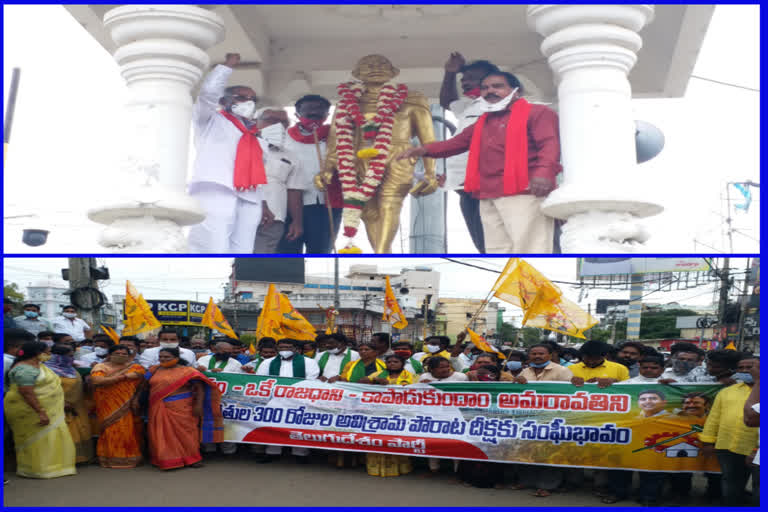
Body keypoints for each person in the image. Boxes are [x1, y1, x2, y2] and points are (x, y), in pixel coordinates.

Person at [398, 70, 561, 253]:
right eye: (485, 88)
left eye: (498, 86)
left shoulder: (538, 113)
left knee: (530, 246)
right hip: (488, 193)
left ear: (516, 90)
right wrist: (422, 150)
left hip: (524, 192)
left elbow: (549, 144)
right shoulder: (485, 120)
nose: (490, 91)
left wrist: (544, 173)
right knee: (496, 248)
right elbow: (456, 144)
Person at [187, 52, 265, 253]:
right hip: (216, 190)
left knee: (244, 251)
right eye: (241, 97)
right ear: (225, 101)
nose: (249, 102)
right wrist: (226, 68)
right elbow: (207, 94)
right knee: (215, 247)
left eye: (252, 99)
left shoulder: (254, 133)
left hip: (249, 196)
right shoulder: (210, 120)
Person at [439, 53, 499, 253]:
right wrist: (449, 74)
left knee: (493, 242)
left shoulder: (500, 107)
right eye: (463, 79)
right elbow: (447, 102)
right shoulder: (471, 105)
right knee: (481, 243)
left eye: (472, 78)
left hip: (489, 186)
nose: (465, 82)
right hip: (465, 187)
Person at [141, 347, 223, 470]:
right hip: (157, 406)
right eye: (161, 357)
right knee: (160, 433)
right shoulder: (154, 370)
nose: (163, 359)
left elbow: (200, 388)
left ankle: (192, 459)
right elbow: (143, 386)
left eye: (167, 357)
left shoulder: (188, 371)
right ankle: (166, 459)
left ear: (176, 358)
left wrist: (198, 405)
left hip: (182, 407)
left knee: (187, 433)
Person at [4, 340, 77, 478]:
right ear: (37, 353)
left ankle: (55, 467)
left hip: (48, 409)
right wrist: (41, 412)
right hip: (28, 410)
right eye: (47, 352)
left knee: (51, 437)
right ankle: (37, 469)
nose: (49, 354)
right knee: (37, 440)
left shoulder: (40, 366)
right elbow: (27, 392)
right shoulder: (24, 369)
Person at [510, 344, 575, 497]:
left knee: (549, 452)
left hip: (553, 417)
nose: (537, 356)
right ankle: (527, 481)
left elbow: (570, 393)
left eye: (541, 353)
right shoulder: (525, 371)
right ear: (529, 356)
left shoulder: (562, 371)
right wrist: (516, 382)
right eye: (534, 354)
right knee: (526, 449)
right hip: (529, 418)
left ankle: (548, 485)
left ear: (550, 355)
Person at [280, 94, 343, 253]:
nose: (314, 114)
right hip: (287, 204)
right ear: (297, 114)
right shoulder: (283, 137)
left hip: (324, 203)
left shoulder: (338, 137)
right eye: (309, 111)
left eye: (319, 111)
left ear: (327, 115)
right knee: (287, 251)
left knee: (321, 251)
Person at [700, 354, 760, 506]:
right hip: (728, 446)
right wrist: (707, 442)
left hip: (757, 449)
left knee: (759, 487)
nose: (746, 371)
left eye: (750, 367)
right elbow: (714, 418)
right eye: (741, 368)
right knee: (731, 482)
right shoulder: (726, 391)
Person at [249, 107, 306, 253]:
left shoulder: (292, 156)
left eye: (284, 122)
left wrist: (297, 222)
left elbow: (294, 190)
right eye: (272, 120)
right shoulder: (241, 147)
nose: (278, 125)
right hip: (243, 213)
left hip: (273, 219)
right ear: (255, 122)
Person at [254, 339, 316, 462]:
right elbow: (261, 379)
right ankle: (272, 452)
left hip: (299, 399)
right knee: (273, 425)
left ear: (295, 349)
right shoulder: (268, 362)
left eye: (288, 347)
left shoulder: (308, 362)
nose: (284, 350)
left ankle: (300, 453)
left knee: (299, 425)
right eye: (281, 347)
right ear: (277, 349)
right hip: (275, 399)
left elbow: (311, 379)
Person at [90, 344, 146, 468]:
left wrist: (136, 399)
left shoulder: (136, 367)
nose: (121, 356)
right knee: (110, 429)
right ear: (110, 355)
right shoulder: (101, 367)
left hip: (127, 405)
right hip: (106, 403)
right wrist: (124, 377)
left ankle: (129, 458)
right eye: (117, 353)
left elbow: (142, 384)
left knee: (126, 429)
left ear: (129, 356)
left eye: (124, 354)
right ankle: (108, 457)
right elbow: (97, 381)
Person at [45, 344, 94, 464]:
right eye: (68, 356)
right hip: (57, 408)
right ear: (58, 356)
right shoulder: (48, 371)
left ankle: (80, 458)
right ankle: (63, 459)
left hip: (77, 407)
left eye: (72, 356)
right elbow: (46, 390)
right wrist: (62, 402)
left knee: (80, 431)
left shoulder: (71, 369)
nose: (71, 358)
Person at [196, 341, 241, 457]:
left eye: (229, 352)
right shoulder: (203, 360)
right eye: (224, 352)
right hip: (205, 396)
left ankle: (228, 450)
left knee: (227, 423)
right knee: (206, 422)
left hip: (226, 399)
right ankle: (208, 449)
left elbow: (239, 380)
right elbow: (194, 374)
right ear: (215, 350)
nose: (227, 354)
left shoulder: (235, 363)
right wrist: (209, 372)